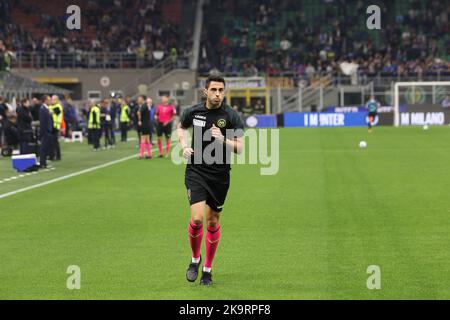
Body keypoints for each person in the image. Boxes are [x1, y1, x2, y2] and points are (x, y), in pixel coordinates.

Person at [177, 73, 244, 286]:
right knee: (197, 219)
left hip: (220, 175)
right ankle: (195, 259)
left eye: (221, 90)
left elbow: (240, 148)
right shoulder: (194, 112)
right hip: (196, 171)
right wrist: (184, 146)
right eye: (213, 90)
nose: (217, 94)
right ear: (205, 91)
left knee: (212, 220)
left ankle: (207, 269)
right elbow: (180, 126)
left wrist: (223, 139)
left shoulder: (231, 116)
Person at [39, 95, 53, 168]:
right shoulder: (42, 109)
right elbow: (43, 122)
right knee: (43, 148)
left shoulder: (46, 108)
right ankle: (42, 163)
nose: (50, 101)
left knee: (46, 147)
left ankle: (44, 162)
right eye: (49, 100)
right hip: (45, 131)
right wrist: (44, 132)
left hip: (48, 131)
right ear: (45, 100)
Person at [136, 95, 152, 159]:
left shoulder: (143, 105)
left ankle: (141, 155)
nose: (138, 100)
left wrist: (139, 120)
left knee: (142, 139)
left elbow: (138, 112)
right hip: (147, 124)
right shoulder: (146, 105)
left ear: (142, 99)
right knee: (147, 140)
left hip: (144, 124)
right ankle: (149, 154)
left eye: (139, 98)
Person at [49, 95, 63, 160]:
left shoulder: (58, 106)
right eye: (51, 99)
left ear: (57, 100)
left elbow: (52, 112)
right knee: (51, 142)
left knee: (55, 142)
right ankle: (52, 155)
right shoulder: (51, 106)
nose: (52, 101)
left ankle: (57, 156)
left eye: (53, 99)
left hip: (55, 126)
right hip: (51, 126)